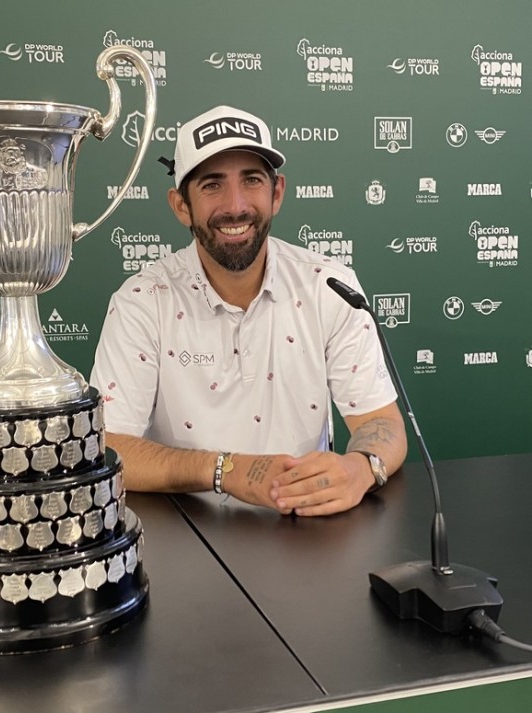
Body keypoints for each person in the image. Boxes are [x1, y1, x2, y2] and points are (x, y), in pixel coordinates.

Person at [90, 105, 407, 517]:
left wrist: (362, 468)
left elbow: (380, 423)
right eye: (212, 185)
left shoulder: (329, 287)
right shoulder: (142, 300)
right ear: (181, 205)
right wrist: (226, 470)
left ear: (276, 194)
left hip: (306, 533)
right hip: (184, 535)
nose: (235, 205)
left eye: (252, 180)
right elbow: (108, 448)